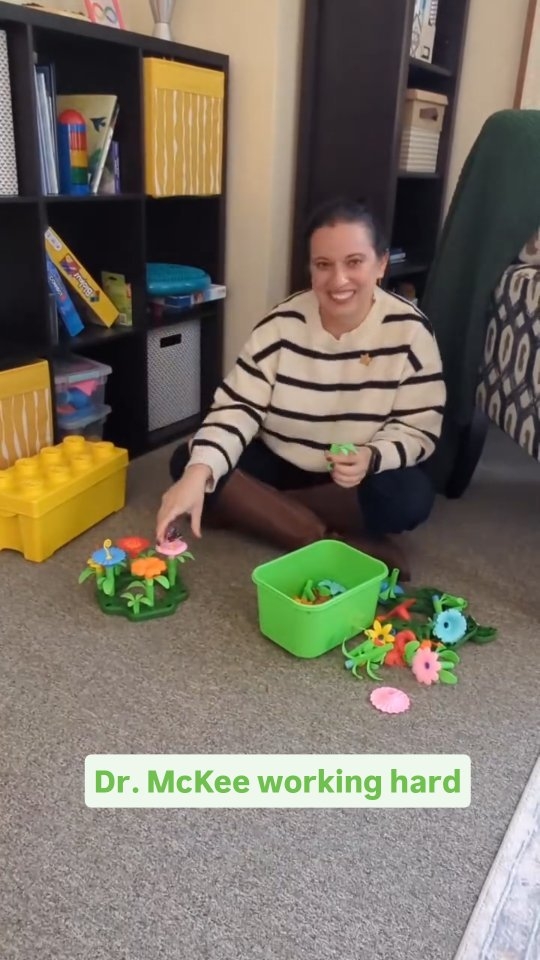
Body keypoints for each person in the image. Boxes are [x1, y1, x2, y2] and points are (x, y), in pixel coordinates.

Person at [156, 198, 446, 578]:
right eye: (323, 265)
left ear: (380, 265)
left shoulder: (411, 330)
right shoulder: (280, 325)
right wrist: (198, 474)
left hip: (352, 477)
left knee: (409, 496)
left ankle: (258, 512)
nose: (338, 280)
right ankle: (326, 540)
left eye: (354, 262)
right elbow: (237, 409)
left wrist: (372, 456)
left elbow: (419, 427)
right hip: (281, 460)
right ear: (310, 269)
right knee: (189, 462)